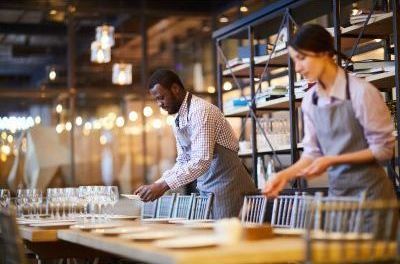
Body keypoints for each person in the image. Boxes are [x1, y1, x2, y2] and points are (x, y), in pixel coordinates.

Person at [264, 24, 397, 204]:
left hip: (372, 197)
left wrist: (330, 160)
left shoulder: (361, 91)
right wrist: (283, 175)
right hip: (338, 197)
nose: (297, 68)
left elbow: (384, 150)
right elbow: (312, 153)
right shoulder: (310, 100)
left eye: (301, 58)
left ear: (324, 53)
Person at [134, 69, 257, 219]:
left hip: (230, 188)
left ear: (175, 89)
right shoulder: (178, 120)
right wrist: (157, 184)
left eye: (161, 98)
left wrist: (163, 186)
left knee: (226, 241)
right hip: (207, 189)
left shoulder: (201, 111)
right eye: (157, 100)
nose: (160, 104)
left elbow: (201, 160)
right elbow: (183, 161)